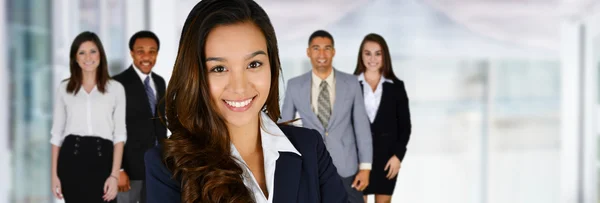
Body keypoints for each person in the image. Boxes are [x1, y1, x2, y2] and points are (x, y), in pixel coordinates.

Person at [144, 0, 347, 202]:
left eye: (254, 64)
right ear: (194, 76)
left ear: (272, 66)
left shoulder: (310, 147)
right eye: (219, 68)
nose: (239, 87)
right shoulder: (167, 167)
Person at [280, 29, 373, 203]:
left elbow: (362, 127)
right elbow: (285, 128)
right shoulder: (294, 86)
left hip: (347, 167)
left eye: (327, 48)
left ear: (333, 51)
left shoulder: (351, 83)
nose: (321, 54)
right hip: (311, 165)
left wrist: (365, 167)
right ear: (308, 52)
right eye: (316, 48)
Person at [50, 31, 126, 203]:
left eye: (93, 51)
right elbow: (56, 135)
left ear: (100, 55)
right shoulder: (64, 89)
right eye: (81, 52)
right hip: (71, 159)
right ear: (75, 58)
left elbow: (119, 136)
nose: (88, 57)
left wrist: (114, 175)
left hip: (103, 159)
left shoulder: (116, 89)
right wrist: (54, 175)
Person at [354, 33, 412, 203]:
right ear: (361, 56)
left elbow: (405, 126)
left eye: (378, 53)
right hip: (358, 161)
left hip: (388, 160)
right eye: (368, 53)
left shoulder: (396, 86)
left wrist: (398, 157)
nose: (373, 59)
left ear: (384, 56)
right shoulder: (349, 84)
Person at [112, 30, 167, 203]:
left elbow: (160, 123)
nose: (146, 56)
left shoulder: (159, 82)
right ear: (132, 53)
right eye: (140, 51)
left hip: (156, 167)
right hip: (129, 170)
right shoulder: (117, 83)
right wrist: (118, 170)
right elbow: (111, 128)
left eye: (152, 51)